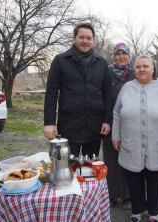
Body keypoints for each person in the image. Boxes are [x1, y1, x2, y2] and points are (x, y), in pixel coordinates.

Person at [112, 55, 158, 222]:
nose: (141, 69)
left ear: (153, 68)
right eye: (138, 67)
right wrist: (116, 136)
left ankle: (154, 212)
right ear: (134, 69)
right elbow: (117, 112)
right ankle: (137, 210)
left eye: (145, 66)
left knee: (155, 180)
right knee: (134, 179)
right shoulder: (127, 88)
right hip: (131, 143)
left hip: (157, 144)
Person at [43, 22, 112, 158]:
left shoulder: (101, 63)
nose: (85, 41)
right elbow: (51, 93)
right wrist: (49, 123)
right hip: (69, 126)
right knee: (67, 170)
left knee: (90, 169)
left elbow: (107, 94)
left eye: (88, 38)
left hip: (94, 126)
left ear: (93, 40)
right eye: (81, 37)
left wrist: (107, 120)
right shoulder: (60, 60)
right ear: (74, 39)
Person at [102, 43, 134, 210]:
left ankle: (127, 196)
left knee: (128, 159)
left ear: (129, 55)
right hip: (110, 122)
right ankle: (112, 194)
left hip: (131, 124)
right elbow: (103, 97)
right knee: (111, 160)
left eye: (124, 53)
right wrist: (105, 120)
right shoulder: (107, 72)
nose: (121, 57)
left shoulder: (136, 72)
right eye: (118, 53)